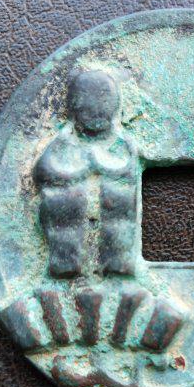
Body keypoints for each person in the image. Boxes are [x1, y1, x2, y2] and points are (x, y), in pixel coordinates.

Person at [35, 70, 139, 278]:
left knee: (118, 220)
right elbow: (43, 170)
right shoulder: (62, 143)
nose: (96, 113)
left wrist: (96, 165)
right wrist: (84, 168)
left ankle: (116, 267)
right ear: (75, 108)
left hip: (116, 234)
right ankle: (66, 267)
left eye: (103, 106)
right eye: (88, 109)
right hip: (66, 235)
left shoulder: (123, 145)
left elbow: (128, 169)